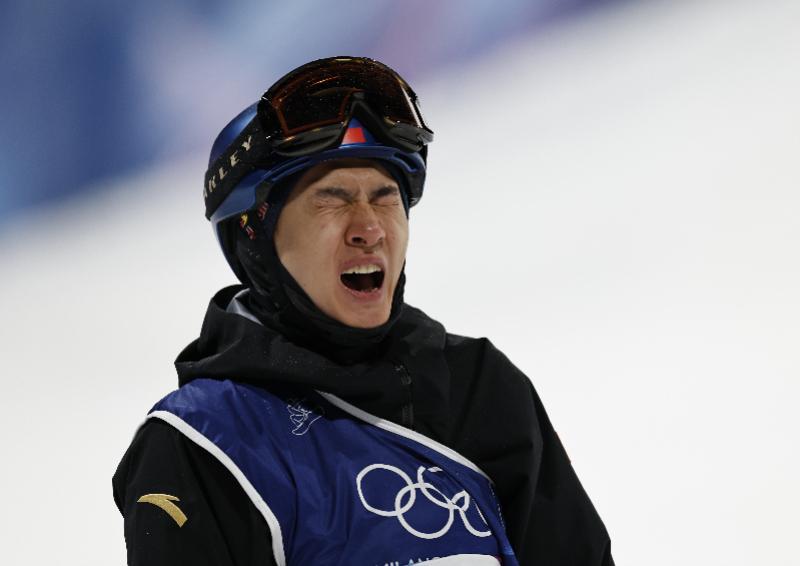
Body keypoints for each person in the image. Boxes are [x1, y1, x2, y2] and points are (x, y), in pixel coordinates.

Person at [112, 56, 614, 566]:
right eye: (331, 200)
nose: (369, 228)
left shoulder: (479, 387)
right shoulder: (202, 441)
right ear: (254, 238)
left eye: (385, 198)